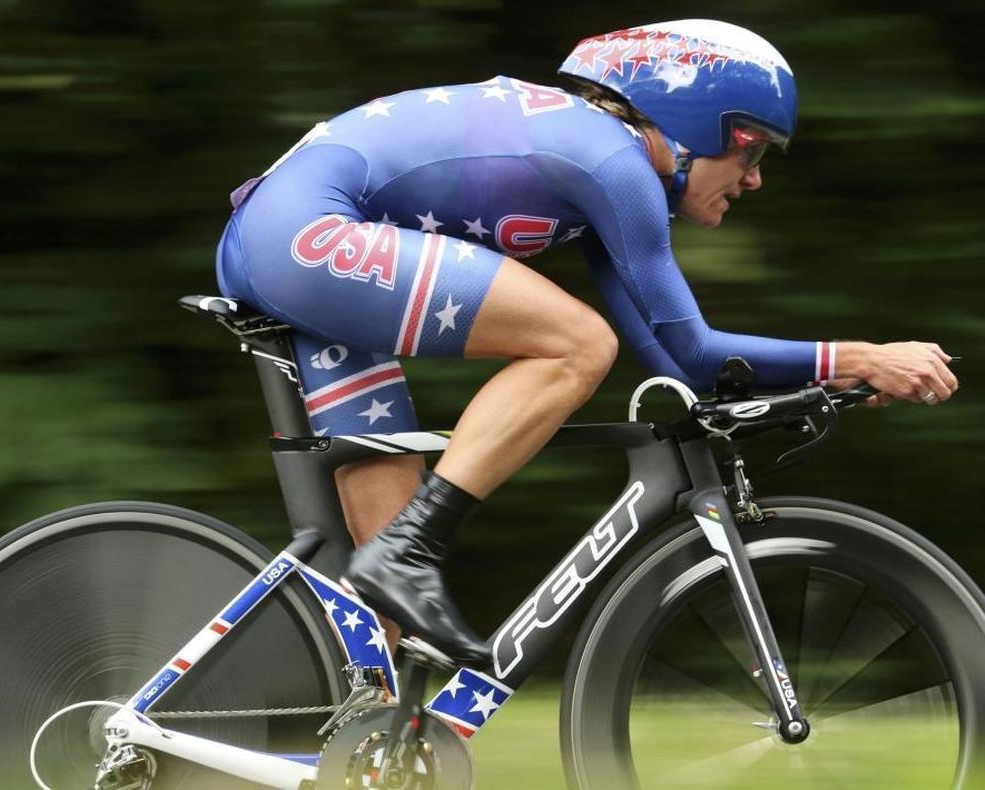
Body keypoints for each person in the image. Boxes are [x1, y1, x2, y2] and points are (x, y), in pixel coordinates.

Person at [216, 20, 958, 665]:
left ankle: (369, 732)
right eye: (753, 149)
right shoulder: (613, 162)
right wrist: (859, 356)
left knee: (390, 613)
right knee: (575, 344)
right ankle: (412, 550)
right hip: (305, 237)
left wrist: (822, 386)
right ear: (696, 119)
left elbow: (681, 364)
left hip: (292, 243)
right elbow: (690, 347)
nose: (755, 180)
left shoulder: (603, 175)